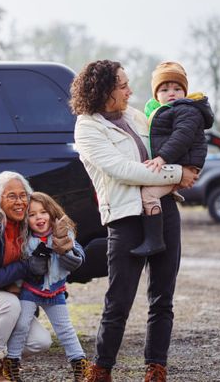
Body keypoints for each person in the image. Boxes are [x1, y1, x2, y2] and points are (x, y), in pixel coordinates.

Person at [70, 60, 198, 382]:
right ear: (104, 90)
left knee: (162, 297)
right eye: (123, 85)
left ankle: (156, 368)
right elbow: (123, 170)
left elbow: (171, 146)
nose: (130, 91)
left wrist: (187, 165)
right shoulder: (87, 127)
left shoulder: (137, 116)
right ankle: (102, 369)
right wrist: (178, 174)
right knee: (119, 299)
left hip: (164, 209)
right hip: (125, 216)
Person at [0, 171, 76, 381]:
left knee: (40, 341)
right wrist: (25, 267)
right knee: (9, 304)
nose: (20, 202)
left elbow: (53, 248)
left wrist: (69, 250)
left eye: (23, 195)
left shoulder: (25, 225)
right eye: (12, 196)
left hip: (7, 292)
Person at [131, 61, 213, 256]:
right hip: (176, 163)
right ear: (156, 94)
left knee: (148, 195)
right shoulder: (161, 111)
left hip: (183, 163)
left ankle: (154, 240)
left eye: (177, 89)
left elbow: (182, 137)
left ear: (185, 92)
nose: (172, 93)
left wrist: (162, 158)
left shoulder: (187, 109)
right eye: (165, 89)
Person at [5, 192, 89, 382]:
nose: (39, 217)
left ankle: (80, 366)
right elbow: (28, 267)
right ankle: (11, 365)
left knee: (65, 329)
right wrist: (37, 256)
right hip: (30, 290)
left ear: (52, 213)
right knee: (21, 326)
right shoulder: (24, 240)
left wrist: (65, 249)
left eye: (43, 212)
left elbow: (76, 261)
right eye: (32, 214)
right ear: (25, 220)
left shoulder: (64, 235)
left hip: (55, 291)